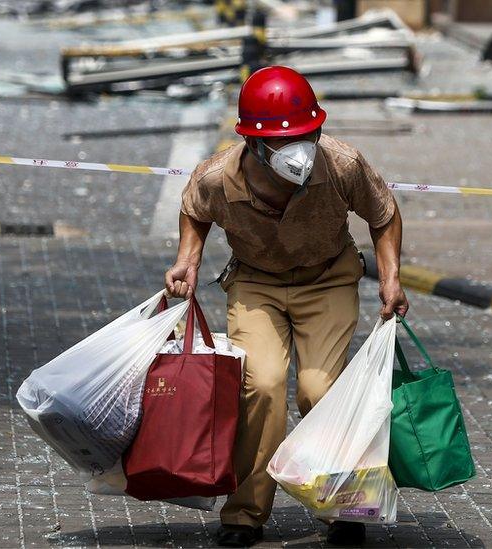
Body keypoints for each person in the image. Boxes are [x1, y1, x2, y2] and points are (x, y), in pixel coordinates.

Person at [165, 65, 408, 547]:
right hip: (256, 283)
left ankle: (343, 506)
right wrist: (186, 260)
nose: (300, 149)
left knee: (319, 391)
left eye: (307, 134)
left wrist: (391, 277)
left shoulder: (341, 163)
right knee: (263, 386)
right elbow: (195, 210)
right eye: (284, 140)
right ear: (254, 142)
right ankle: (245, 515)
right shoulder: (217, 177)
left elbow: (384, 214)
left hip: (328, 281)